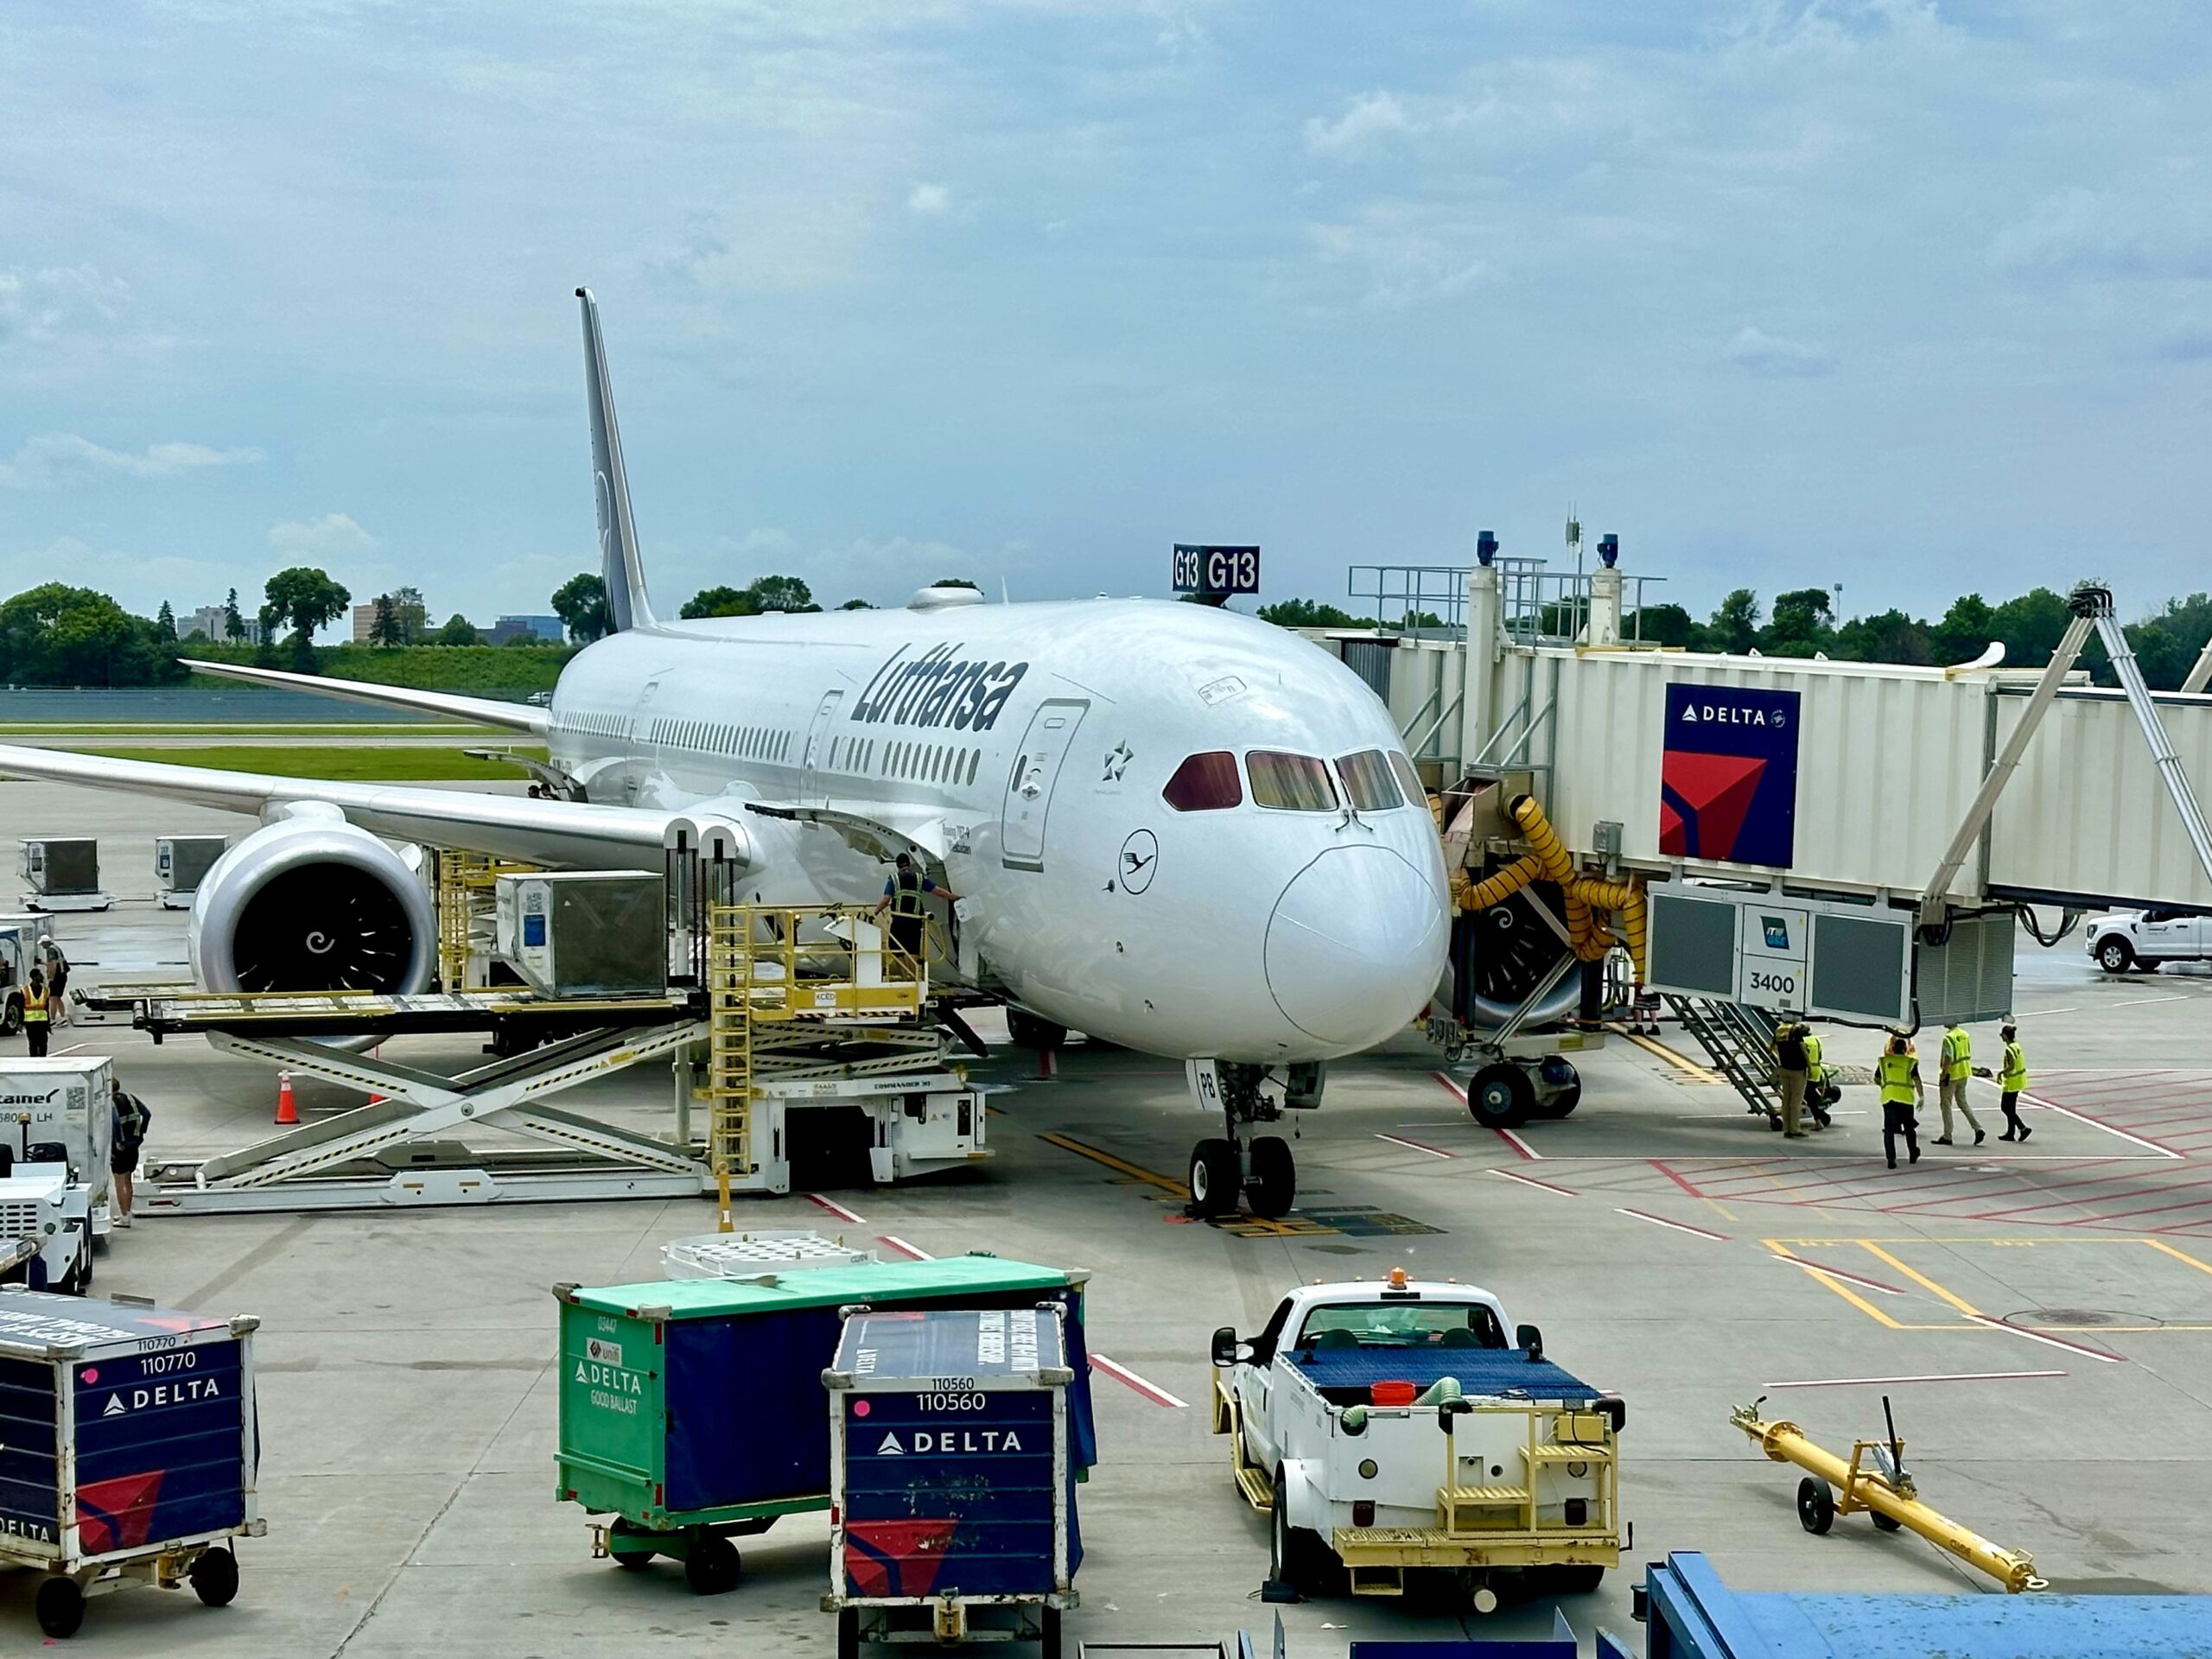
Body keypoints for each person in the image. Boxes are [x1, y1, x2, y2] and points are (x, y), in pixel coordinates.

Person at [872, 854, 957, 963]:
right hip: (915, 921)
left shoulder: (894, 879)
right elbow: (939, 891)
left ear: (897, 865)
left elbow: (886, 899)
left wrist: (875, 913)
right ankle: (915, 976)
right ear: (910, 864)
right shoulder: (919, 878)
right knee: (913, 950)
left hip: (899, 921)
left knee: (896, 950)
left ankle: (905, 977)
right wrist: (954, 897)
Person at [1877, 1033, 1923, 1169]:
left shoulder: (1884, 1062)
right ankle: (1913, 1153)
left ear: (1893, 1049)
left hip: (1889, 1098)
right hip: (1906, 1099)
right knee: (1909, 1129)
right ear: (1905, 1050)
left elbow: (1877, 1078)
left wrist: (1886, 1087)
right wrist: (1921, 1096)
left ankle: (1891, 1160)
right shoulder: (1910, 1062)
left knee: (1889, 1130)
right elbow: (1917, 1079)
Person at [109, 1077, 150, 1229]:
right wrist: (139, 1134)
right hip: (133, 1144)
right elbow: (146, 1113)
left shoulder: (111, 1104)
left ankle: (124, 1217)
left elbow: (114, 1122)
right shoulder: (131, 1098)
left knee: (119, 1182)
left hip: (120, 1148)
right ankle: (127, 1210)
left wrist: (118, 1142)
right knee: (128, 1180)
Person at [1935, 1021, 1985, 1147]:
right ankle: (1978, 1128)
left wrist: (1944, 1075)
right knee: (1962, 1102)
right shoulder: (1965, 1034)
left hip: (1952, 1074)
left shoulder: (1948, 1038)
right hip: (1964, 1072)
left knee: (1945, 1104)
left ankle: (1947, 1135)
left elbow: (1948, 1058)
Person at [1773, 1017, 1812, 1139]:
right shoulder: (1795, 1031)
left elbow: (1770, 1047)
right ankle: (1795, 1128)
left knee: (1786, 1100)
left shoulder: (1779, 1030)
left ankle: (1787, 1129)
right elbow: (1803, 1050)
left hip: (1784, 1067)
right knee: (1796, 1101)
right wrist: (1809, 1067)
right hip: (1797, 1069)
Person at [1993, 1021, 2031, 1142]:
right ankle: (2011, 1133)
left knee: (2005, 1108)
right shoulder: (2017, 1046)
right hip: (2019, 1079)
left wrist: (2001, 1073)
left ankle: (2022, 1127)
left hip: (2012, 1081)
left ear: (2005, 1036)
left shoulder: (2009, 1049)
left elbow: (2011, 1065)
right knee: (2011, 1108)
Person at [21, 968, 50, 1058]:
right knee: (33, 1043)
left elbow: (46, 1007)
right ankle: (33, 1062)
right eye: (40, 975)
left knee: (43, 1044)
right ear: (35, 977)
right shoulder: (25, 990)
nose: (41, 977)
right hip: (30, 1022)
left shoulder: (45, 990)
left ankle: (42, 1061)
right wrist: (21, 1022)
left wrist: (48, 1023)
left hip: (42, 1021)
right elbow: (20, 1006)